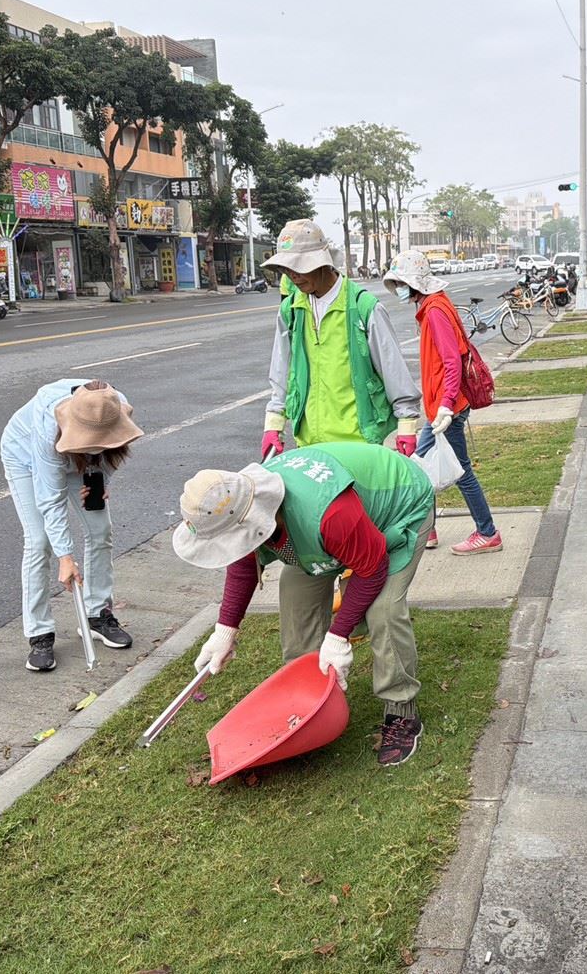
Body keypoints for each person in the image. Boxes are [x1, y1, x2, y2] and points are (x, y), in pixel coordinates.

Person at [172, 442, 436, 767]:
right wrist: (225, 631)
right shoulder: (233, 500)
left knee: (383, 611)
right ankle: (310, 705)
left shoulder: (331, 514)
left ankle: (402, 711)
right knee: (295, 595)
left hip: (400, 505)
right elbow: (242, 562)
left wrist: (338, 638)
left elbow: (372, 567)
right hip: (326, 530)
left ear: (254, 520)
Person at [0, 379, 142, 672]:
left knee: (100, 529)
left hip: (83, 459)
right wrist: (66, 558)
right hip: (26, 458)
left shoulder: (113, 407)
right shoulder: (46, 426)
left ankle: (97, 615)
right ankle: (39, 632)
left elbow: (112, 452)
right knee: (40, 541)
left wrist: (101, 481)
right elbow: (50, 500)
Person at [260, 219, 421, 459]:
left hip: (357, 443)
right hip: (309, 443)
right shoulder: (291, 309)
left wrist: (407, 424)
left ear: (323, 263)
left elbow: (393, 369)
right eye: (286, 268)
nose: (292, 275)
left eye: (300, 266)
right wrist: (274, 422)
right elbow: (282, 370)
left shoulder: (364, 308)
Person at [382, 250, 502, 555]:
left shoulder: (434, 311)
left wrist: (447, 405)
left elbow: (451, 361)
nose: (399, 289)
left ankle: (486, 532)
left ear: (415, 283)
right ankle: (429, 529)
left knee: (457, 472)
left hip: (446, 409)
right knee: (421, 467)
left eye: (401, 283)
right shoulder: (433, 305)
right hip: (443, 407)